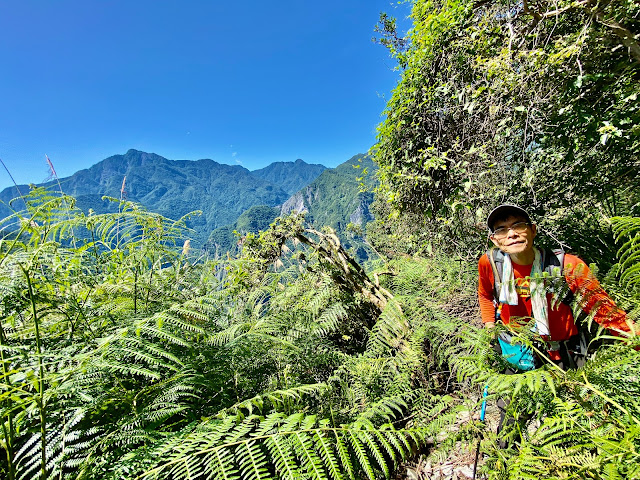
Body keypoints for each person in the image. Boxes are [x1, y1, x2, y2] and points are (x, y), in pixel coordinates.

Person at [478, 204, 632, 369]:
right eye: (501, 230)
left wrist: (633, 340)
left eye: (519, 225)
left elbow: (605, 311)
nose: (512, 234)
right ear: (494, 239)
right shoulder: (491, 264)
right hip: (516, 351)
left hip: (564, 354)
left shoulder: (568, 265)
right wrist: (490, 327)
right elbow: (485, 294)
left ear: (533, 230)